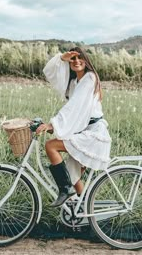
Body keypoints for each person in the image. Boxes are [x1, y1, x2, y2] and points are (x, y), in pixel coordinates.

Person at [36, 47, 112, 207]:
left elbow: (75, 107)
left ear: (86, 61)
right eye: (73, 59)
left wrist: (53, 125)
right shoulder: (73, 82)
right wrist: (61, 58)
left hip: (94, 134)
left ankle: (65, 190)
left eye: (80, 58)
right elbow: (49, 72)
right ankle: (82, 210)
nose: (76, 61)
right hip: (84, 131)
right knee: (71, 175)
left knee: (50, 146)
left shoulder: (90, 78)